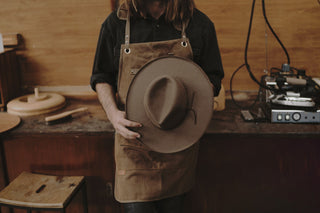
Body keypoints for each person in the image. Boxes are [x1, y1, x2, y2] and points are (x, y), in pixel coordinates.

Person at [90, 0, 224, 212]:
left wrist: (194, 93)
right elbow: (101, 77)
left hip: (179, 147)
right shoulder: (116, 24)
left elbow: (213, 78)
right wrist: (113, 114)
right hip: (133, 148)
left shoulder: (199, 24)